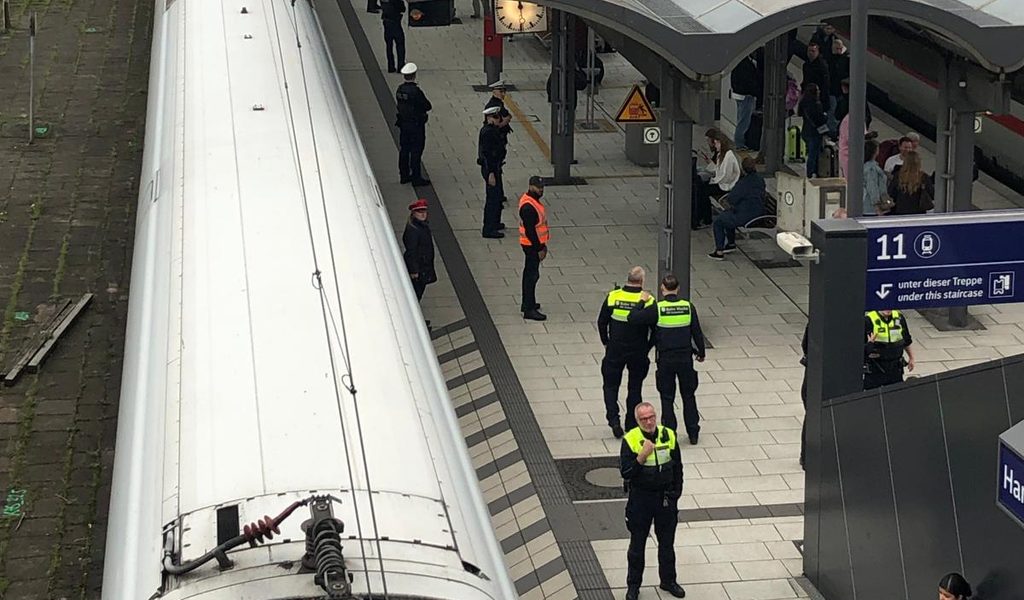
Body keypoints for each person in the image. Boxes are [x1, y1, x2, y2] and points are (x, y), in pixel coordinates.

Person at [628, 275, 706, 444]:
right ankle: (693, 433)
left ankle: (670, 433)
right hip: (685, 359)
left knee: (667, 398)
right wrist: (701, 352)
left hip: (665, 360)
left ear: (662, 289)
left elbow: (633, 317)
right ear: (678, 289)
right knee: (689, 396)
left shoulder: (657, 308)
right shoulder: (688, 307)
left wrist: (641, 301)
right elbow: (697, 333)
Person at [620, 402, 686, 600]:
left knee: (667, 543)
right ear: (637, 420)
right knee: (637, 546)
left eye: (651, 417)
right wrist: (641, 456)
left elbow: (678, 467)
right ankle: (633, 586)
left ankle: (668, 581)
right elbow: (626, 472)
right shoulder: (631, 439)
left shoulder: (668, 434)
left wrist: (676, 494)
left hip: (665, 498)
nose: (648, 422)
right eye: (643, 419)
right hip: (641, 499)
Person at [598, 267, 656, 437]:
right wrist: (647, 347)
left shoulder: (613, 296)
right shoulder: (648, 301)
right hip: (638, 351)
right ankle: (631, 422)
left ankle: (614, 420)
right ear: (642, 281)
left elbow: (602, 322)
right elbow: (655, 328)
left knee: (610, 386)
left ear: (628, 279)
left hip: (615, 349)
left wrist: (606, 342)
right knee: (635, 387)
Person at [708, 156, 765, 260]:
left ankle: (719, 251)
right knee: (727, 215)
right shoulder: (759, 179)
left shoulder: (743, 183)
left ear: (743, 169)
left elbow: (732, 199)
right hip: (758, 211)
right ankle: (730, 244)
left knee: (719, 221)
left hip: (746, 214)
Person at [694, 129, 740, 229]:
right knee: (701, 187)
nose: (715, 146)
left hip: (727, 185)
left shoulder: (729, 155)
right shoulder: (720, 155)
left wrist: (713, 180)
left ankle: (706, 218)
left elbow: (725, 176)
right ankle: (701, 216)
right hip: (721, 182)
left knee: (704, 191)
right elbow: (718, 170)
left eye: (716, 144)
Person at [395, 63, 432, 186]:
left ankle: (404, 175)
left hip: (404, 124)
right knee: (416, 150)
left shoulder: (400, 89)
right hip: (416, 125)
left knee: (404, 149)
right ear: (414, 75)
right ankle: (416, 177)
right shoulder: (416, 91)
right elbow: (427, 106)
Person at [519, 176, 549, 322]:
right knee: (531, 276)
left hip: (532, 245)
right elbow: (531, 231)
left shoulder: (531, 201)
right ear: (531, 186)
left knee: (530, 275)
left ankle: (528, 303)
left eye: (542, 187)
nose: (541, 190)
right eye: (538, 187)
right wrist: (539, 248)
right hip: (531, 246)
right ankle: (529, 309)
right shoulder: (528, 207)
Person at [864, 309, 915, 390]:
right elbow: (861, 350)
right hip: (876, 369)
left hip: (895, 368)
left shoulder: (899, 318)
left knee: (896, 394)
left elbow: (906, 340)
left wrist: (911, 357)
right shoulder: (868, 320)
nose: (888, 309)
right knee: (873, 395)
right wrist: (870, 344)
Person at [478, 106, 506, 238]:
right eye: (495, 117)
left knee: (497, 196)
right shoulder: (488, 132)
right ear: (489, 118)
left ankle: (495, 222)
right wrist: (490, 173)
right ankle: (488, 229)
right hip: (491, 169)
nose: (498, 119)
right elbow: (487, 155)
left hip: (495, 168)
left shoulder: (492, 130)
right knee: (492, 199)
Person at [484, 80, 513, 203]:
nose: (503, 94)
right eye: (501, 91)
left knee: (498, 169)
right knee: (495, 171)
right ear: (494, 91)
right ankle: (496, 196)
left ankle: (499, 194)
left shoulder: (499, 103)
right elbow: (506, 118)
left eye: (504, 91)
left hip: (500, 140)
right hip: (496, 142)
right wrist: (503, 122)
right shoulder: (493, 105)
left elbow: (508, 116)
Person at [402, 199, 436, 303]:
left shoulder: (420, 226)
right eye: (419, 212)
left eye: (424, 211)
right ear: (413, 213)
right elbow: (411, 251)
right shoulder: (414, 230)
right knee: (416, 293)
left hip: (423, 266)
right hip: (420, 267)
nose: (423, 214)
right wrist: (414, 270)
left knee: (418, 292)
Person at [730, 51, 763, 149]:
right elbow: (749, 82)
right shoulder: (745, 65)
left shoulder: (739, 62)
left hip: (739, 94)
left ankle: (740, 142)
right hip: (745, 95)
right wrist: (756, 92)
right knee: (744, 121)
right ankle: (739, 143)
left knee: (741, 119)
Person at [887, 151, 933, 215]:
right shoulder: (923, 177)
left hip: (900, 211)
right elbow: (931, 194)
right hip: (919, 212)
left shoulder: (898, 176)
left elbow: (891, 193)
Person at [798, 83, 828, 178]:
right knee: (814, 154)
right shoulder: (816, 104)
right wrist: (825, 117)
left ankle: (811, 172)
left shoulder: (803, 103)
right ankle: (812, 172)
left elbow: (800, 114)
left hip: (806, 131)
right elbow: (819, 119)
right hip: (814, 133)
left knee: (811, 153)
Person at [826, 38, 849, 136]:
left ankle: (836, 130)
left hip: (839, 91)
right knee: (832, 111)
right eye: (837, 49)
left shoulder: (845, 58)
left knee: (839, 110)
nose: (839, 51)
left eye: (840, 48)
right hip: (833, 91)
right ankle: (833, 131)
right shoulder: (830, 59)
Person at [863, 140, 889, 215]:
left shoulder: (865, 166)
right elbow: (872, 187)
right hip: (871, 207)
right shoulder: (871, 168)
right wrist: (876, 205)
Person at [380, 0, 406, 73]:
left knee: (389, 46)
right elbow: (403, 8)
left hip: (386, 23)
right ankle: (400, 66)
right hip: (395, 22)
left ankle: (390, 66)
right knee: (400, 45)